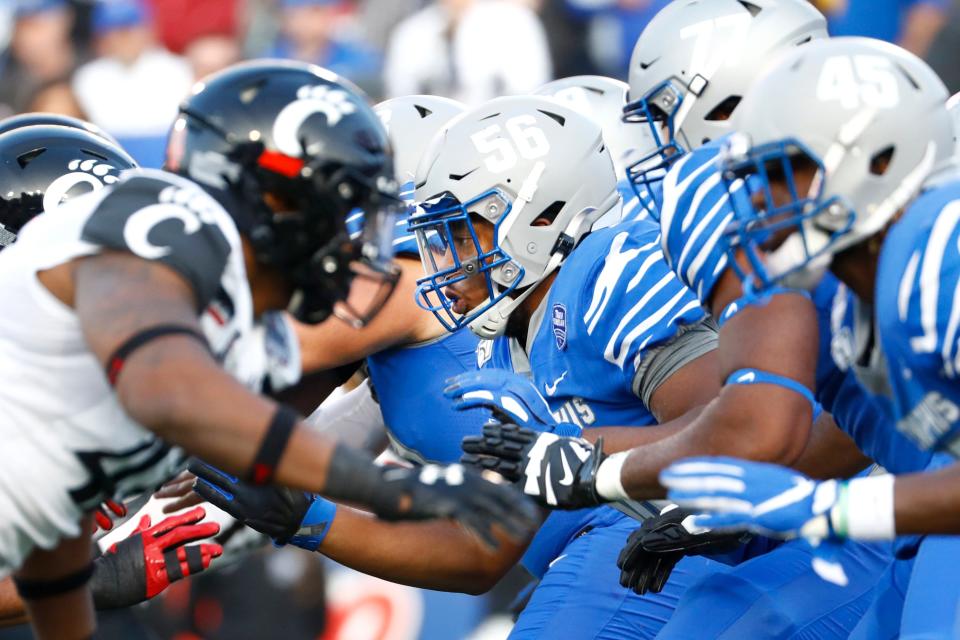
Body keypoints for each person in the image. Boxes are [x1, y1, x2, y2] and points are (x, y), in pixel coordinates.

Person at [0, 59, 535, 640]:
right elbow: (176, 393)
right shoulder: (150, 272)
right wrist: (388, 490)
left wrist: (90, 579)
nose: (363, 250)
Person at [653, 36, 960, 639]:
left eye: (783, 172)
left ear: (878, 158)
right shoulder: (862, 296)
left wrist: (834, 510)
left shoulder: (937, 253)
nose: (762, 204)